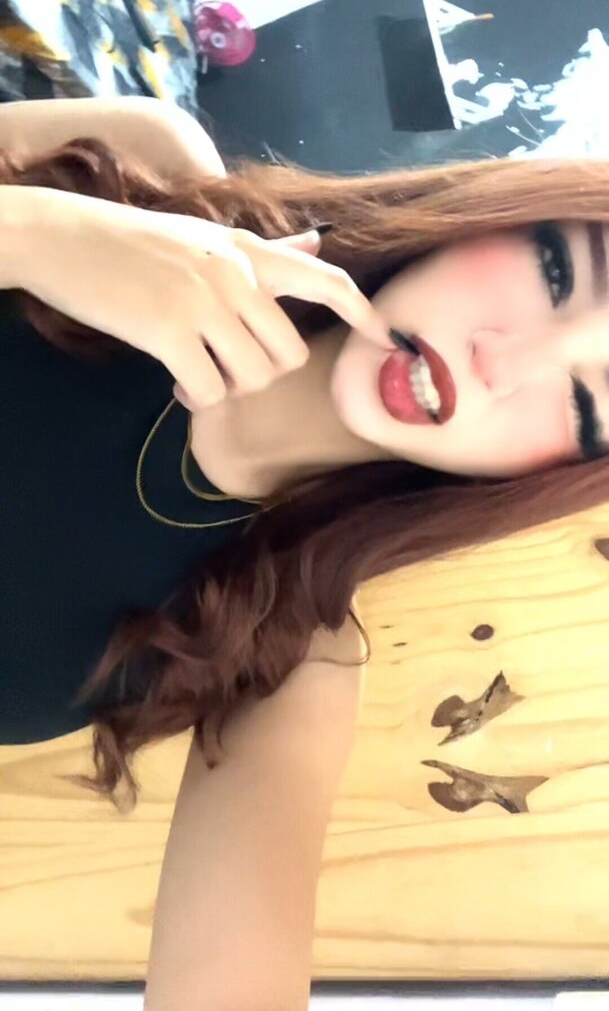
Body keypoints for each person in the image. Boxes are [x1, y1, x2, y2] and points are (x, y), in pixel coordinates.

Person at [2, 96, 609, 1009]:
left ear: (549, 473)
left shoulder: (285, 654)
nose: (502, 363)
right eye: (558, 274)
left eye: (584, 404)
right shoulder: (148, 173)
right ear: (500, 218)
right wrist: (33, 234)